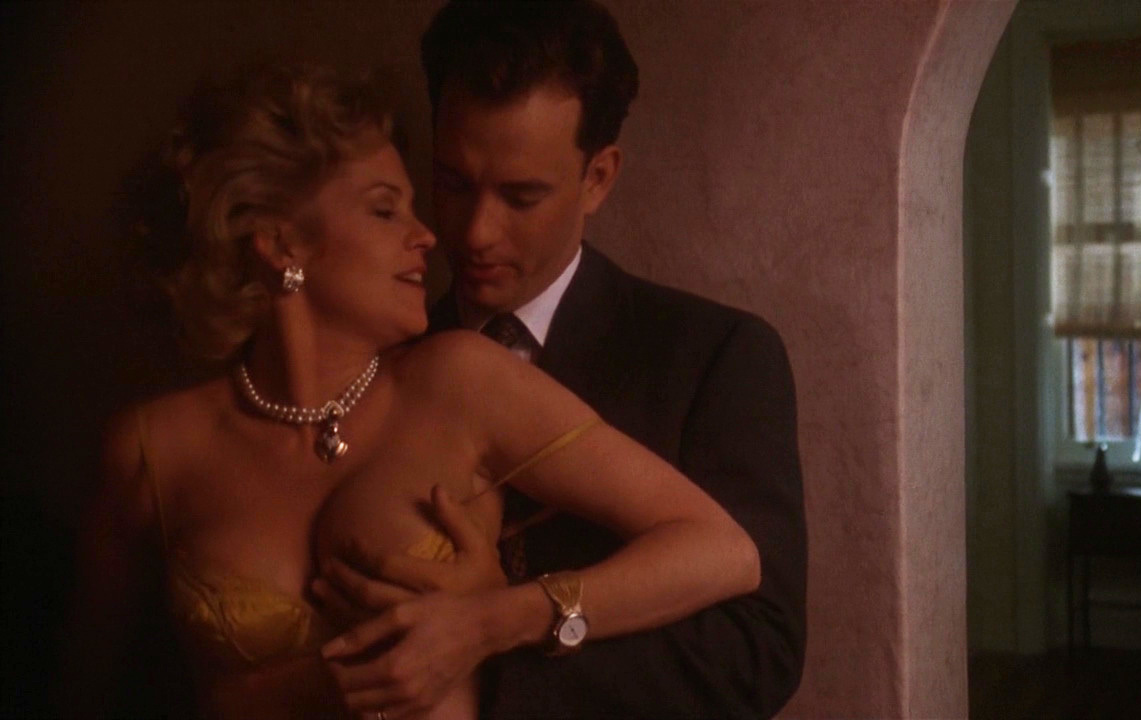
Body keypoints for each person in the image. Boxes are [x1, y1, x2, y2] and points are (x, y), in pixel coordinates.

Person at [60, 61, 761, 720]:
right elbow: (87, 695)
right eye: (384, 210)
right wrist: (296, 687)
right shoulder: (150, 450)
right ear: (280, 244)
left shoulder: (460, 380)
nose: (429, 235)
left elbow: (723, 550)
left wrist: (498, 618)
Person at [318, 1, 808, 717]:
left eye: (521, 197)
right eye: (453, 184)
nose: (476, 232)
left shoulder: (714, 356)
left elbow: (758, 649)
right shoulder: (376, 356)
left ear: (598, 177)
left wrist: (499, 637)